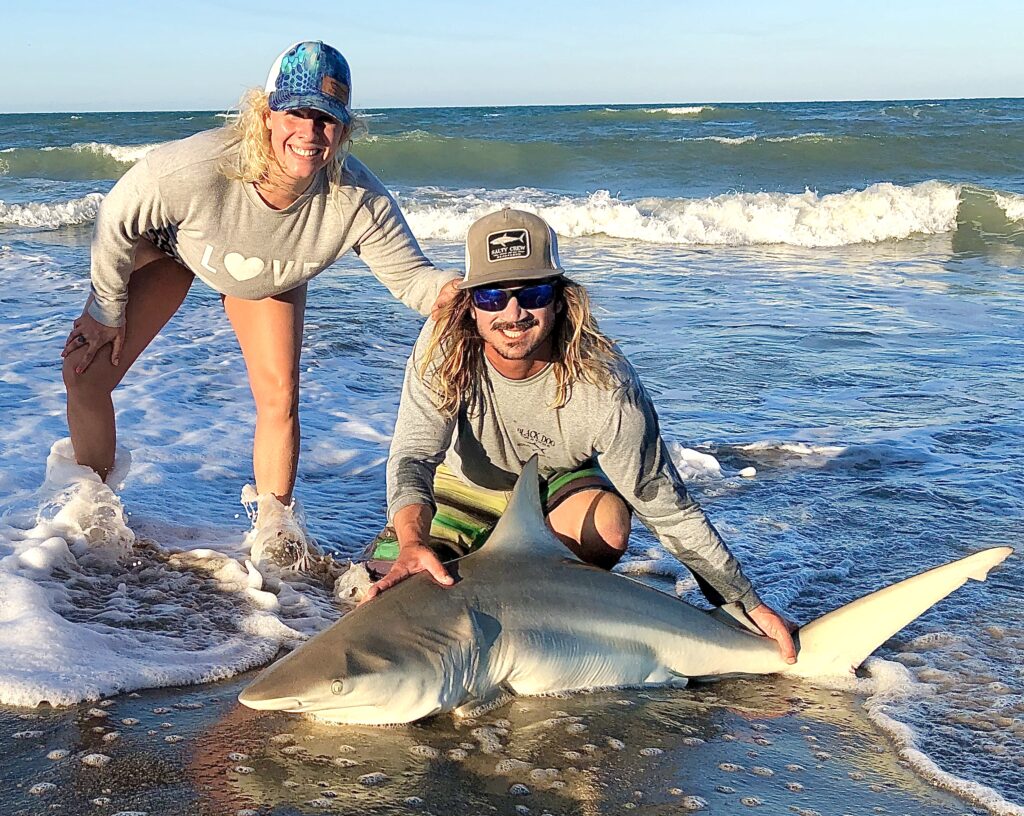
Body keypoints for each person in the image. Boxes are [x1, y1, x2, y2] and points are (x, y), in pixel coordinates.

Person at [60, 41, 460, 563]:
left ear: (344, 128)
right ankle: (94, 516)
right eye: (297, 113)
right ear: (266, 113)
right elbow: (117, 216)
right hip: (170, 248)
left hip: (269, 272)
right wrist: (105, 310)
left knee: (280, 397)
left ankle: (276, 535)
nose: (311, 133)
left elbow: (416, 283)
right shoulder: (197, 168)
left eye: (327, 119)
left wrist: (478, 294)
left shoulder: (357, 199)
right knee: (84, 372)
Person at [364, 208, 797, 663]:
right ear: (470, 305)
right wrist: (412, 542)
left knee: (608, 525)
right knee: (378, 599)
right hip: (460, 485)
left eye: (531, 292)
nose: (513, 313)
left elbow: (662, 502)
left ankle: (548, 633)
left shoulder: (606, 385)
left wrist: (743, 602)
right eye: (493, 296)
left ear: (559, 299)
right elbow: (413, 456)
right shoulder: (442, 347)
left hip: (556, 485)